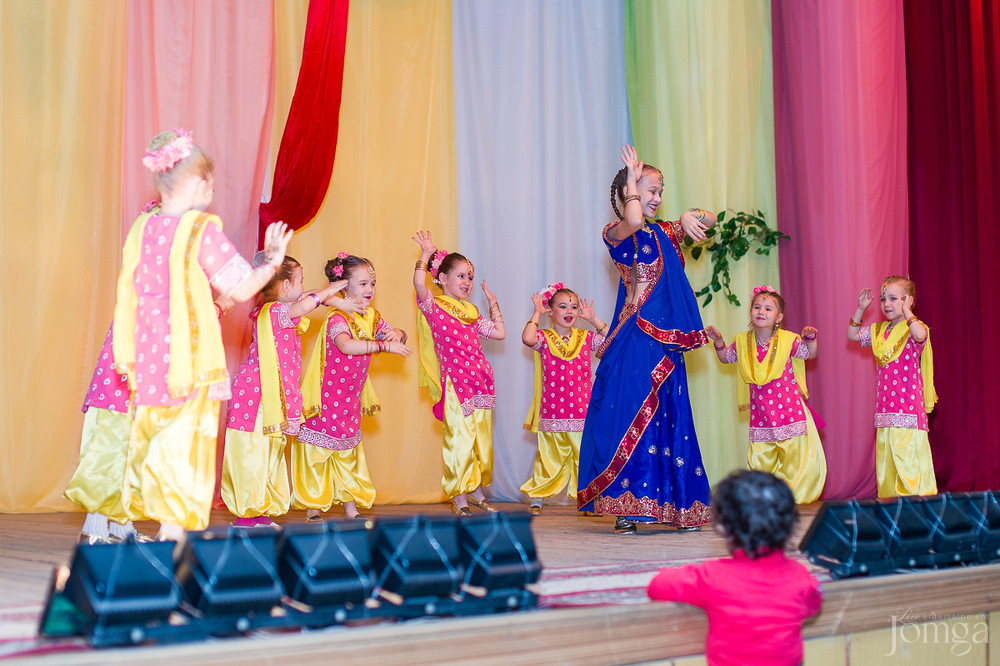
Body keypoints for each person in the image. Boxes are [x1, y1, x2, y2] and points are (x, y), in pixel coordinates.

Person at [112, 128, 292, 540]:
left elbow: (128, 292)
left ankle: (163, 535)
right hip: (190, 362)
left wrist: (129, 355)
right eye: (209, 180)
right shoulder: (199, 229)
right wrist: (271, 262)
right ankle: (171, 546)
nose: (212, 189)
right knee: (187, 449)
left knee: (158, 445)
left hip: (149, 360)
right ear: (195, 182)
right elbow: (242, 288)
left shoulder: (143, 228)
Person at [577, 144, 715, 534]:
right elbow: (634, 220)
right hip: (636, 340)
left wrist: (692, 215)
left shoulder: (669, 233)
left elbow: (713, 219)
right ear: (627, 193)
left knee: (673, 419)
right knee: (632, 420)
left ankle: (678, 510)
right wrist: (633, 187)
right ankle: (629, 506)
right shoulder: (617, 233)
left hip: (668, 343)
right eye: (648, 190)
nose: (657, 198)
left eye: (660, 191)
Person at [221, 255, 349, 528]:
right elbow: (305, 304)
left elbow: (310, 296)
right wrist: (326, 293)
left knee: (269, 453)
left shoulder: (283, 311)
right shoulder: (272, 312)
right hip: (255, 399)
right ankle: (245, 517)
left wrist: (337, 298)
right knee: (251, 455)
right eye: (300, 281)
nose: (304, 286)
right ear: (285, 287)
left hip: (271, 399)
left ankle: (260, 513)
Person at [647, 470, 823, 666]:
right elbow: (813, 606)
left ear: (724, 528)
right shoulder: (799, 575)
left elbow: (658, 585)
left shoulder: (712, 576)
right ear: (790, 526)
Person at [293, 254, 412, 521]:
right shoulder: (337, 317)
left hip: (348, 400)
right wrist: (383, 346)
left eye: (373, 283)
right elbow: (346, 346)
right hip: (325, 398)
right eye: (363, 284)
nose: (370, 289)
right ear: (343, 286)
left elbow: (390, 332)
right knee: (318, 454)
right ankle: (314, 506)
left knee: (348, 452)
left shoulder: (371, 316)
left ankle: (350, 507)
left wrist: (398, 334)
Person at [705, 286, 827, 503]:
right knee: (761, 461)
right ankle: (765, 501)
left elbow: (810, 354)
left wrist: (810, 338)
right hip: (762, 416)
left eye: (768, 309)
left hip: (789, 413)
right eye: (757, 306)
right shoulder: (743, 341)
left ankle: (791, 502)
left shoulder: (788, 340)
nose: (761, 311)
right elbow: (726, 358)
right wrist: (718, 341)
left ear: (779, 317)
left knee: (793, 461)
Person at [412, 231, 505, 516]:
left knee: (480, 439)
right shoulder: (434, 306)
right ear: (442, 279)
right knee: (459, 441)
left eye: (470, 276)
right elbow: (418, 282)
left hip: (482, 381)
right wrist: (426, 255)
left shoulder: (472, 311)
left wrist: (492, 303)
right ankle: (459, 498)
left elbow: (500, 334)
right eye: (461, 276)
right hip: (456, 384)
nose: (467, 282)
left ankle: (475, 492)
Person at [519, 283, 607, 515]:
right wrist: (536, 314)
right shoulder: (544, 338)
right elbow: (527, 339)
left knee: (583, 458)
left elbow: (612, 344)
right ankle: (537, 497)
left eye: (574, 307)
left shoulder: (586, 337)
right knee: (548, 458)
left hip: (581, 410)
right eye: (563, 306)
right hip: (553, 411)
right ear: (551, 309)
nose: (569, 311)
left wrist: (594, 320)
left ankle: (586, 499)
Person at [847, 276, 937, 497]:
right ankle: (892, 508)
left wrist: (908, 313)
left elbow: (920, 335)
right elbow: (852, 335)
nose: (887, 304)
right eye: (884, 299)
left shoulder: (914, 327)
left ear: (908, 301)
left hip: (907, 409)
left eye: (894, 299)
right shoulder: (878, 331)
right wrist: (860, 309)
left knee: (908, 461)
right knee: (888, 462)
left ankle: (917, 509)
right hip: (886, 410)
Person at [64, 324, 146, 544]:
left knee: (126, 454)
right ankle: (95, 528)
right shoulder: (145, 295)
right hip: (122, 375)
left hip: (134, 369)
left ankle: (120, 526)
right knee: (109, 453)